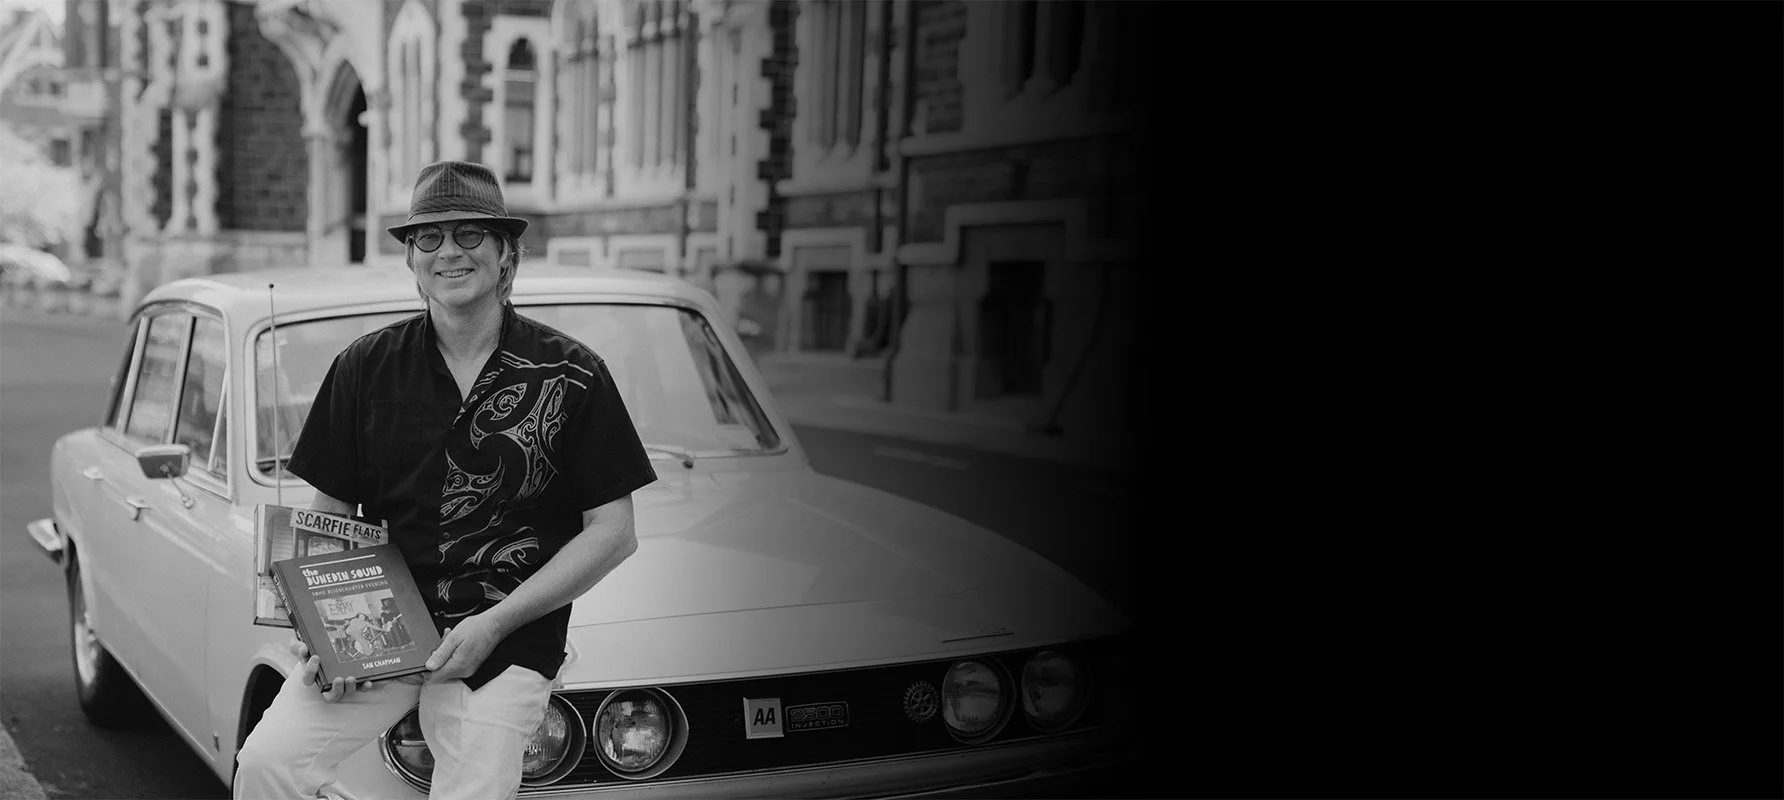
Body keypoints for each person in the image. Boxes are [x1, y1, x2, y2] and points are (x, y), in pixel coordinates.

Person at [234, 160, 657, 800]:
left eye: (469, 235)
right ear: (410, 260)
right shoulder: (363, 367)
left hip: (506, 641)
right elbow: (329, 515)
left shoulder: (573, 375)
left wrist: (492, 624)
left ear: (506, 255)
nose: (448, 252)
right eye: (428, 238)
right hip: (378, 634)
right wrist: (327, 637)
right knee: (267, 764)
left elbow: (613, 533)